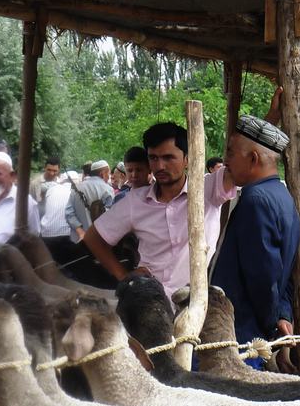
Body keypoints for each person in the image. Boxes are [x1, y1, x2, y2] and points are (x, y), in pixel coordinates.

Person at [82, 121, 237, 298]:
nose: (160, 166)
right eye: (153, 158)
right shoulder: (136, 201)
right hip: (146, 303)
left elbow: (241, 163)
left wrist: (267, 122)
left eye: (168, 157)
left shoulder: (208, 189)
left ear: (187, 159)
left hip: (193, 303)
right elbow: (93, 237)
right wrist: (124, 277)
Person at [210, 115, 297, 346]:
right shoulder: (283, 197)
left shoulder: (255, 200)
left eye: (230, 152)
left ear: (253, 158)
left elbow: (263, 276)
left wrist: (268, 324)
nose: (226, 161)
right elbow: (286, 272)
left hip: (239, 332)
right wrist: (282, 313)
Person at [66, 163, 114, 242]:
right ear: (102, 173)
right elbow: (109, 216)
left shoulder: (76, 188)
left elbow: (69, 213)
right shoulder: (108, 190)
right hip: (99, 240)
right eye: (108, 174)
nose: (109, 177)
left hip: (79, 240)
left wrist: (81, 232)